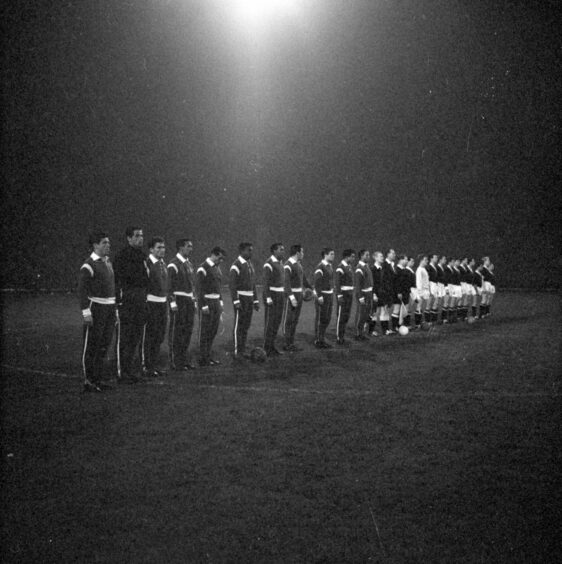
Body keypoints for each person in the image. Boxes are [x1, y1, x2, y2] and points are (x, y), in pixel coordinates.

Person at [78, 230, 117, 392]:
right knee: (92, 346)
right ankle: (89, 381)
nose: (108, 245)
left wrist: (113, 309)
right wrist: (86, 312)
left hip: (109, 308)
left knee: (104, 345)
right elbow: (81, 290)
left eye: (108, 242)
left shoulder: (107, 262)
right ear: (95, 245)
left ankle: (98, 379)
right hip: (96, 308)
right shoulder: (88, 265)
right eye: (104, 243)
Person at [114, 226, 149, 383]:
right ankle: (122, 372)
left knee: (135, 337)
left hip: (140, 299)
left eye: (141, 235)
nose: (140, 238)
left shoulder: (142, 256)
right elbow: (117, 280)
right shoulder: (122, 256)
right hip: (127, 300)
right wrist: (119, 301)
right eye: (136, 236)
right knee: (125, 337)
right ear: (128, 238)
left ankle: (130, 370)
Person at [168, 238, 196, 370]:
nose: (191, 248)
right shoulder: (173, 264)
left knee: (187, 331)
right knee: (177, 332)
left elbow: (192, 284)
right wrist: (172, 302)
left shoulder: (189, 264)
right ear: (180, 248)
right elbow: (170, 286)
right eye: (188, 246)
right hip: (179, 299)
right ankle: (175, 361)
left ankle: (183, 360)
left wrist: (193, 299)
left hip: (188, 300)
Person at [142, 236, 169, 377]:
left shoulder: (162, 264)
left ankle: (153, 365)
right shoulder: (146, 264)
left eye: (163, 247)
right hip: (151, 303)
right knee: (150, 336)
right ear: (151, 249)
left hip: (162, 303)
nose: (162, 250)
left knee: (159, 336)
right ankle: (146, 366)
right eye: (158, 247)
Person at [229, 242, 260, 359]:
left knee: (246, 325)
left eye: (251, 250)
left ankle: (242, 348)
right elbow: (232, 285)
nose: (251, 252)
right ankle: (238, 351)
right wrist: (236, 301)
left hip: (249, 298)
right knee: (239, 325)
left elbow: (253, 284)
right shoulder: (236, 265)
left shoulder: (249, 265)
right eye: (249, 250)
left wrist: (256, 300)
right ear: (242, 251)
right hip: (241, 298)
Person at [196, 247, 226, 366]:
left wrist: (221, 302)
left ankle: (208, 356)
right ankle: (202, 357)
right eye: (220, 258)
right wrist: (203, 305)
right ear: (213, 254)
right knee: (205, 331)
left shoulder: (217, 268)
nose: (221, 261)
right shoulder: (203, 268)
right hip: (207, 302)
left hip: (215, 302)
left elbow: (218, 286)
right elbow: (199, 288)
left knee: (213, 331)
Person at [283, 244, 311, 352]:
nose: (303, 254)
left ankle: (291, 343)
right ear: (297, 253)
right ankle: (286, 344)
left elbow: (304, 280)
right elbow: (286, 283)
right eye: (302, 252)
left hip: (299, 295)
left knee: (295, 320)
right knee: (288, 320)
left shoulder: (299, 265)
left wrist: (311, 290)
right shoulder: (288, 265)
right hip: (292, 296)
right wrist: (291, 297)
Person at [263, 243, 286, 356]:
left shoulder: (280, 263)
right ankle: (266, 347)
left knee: (277, 322)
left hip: (280, 295)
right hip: (272, 295)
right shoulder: (269, 263)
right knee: (270, 323)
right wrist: (267, 297)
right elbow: (266, 282)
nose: (283, 252)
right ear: (274, 251)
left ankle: (272, 346)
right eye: (281, 250)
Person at [313, 248, 335, 348]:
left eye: (333, 254)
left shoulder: (330, 266)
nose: (333, 256)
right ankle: (318, 340)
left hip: (329, 295)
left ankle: (321, 338)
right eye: (331, 254)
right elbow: (317, 282)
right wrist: (320, 296)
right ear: (325, 255)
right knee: (321, 318)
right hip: (323, 295)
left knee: (327, 318)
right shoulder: (320, 267)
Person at [335, 249, 356, 345]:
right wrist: (339, 295)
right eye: (352, 256)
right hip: (343, 294)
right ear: (347, 257)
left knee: (346, 315)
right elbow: (337, 283)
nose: (353, 258)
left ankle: (342, 335)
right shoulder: (340, 267)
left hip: (349, 294)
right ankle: (339, 337)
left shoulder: (349, 267)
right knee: (341, 316)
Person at [354, 249, 373, 340]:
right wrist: (360, 297)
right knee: (361, 314)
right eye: (366, 255)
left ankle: (362, 333)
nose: (368, 257)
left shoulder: (366, 266)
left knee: (366, 314)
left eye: (369, 255)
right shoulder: (359, 268)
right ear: (361, 256)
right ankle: (358, 334)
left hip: (368, 293)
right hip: (363, 294)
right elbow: (358, 284)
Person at [381, 248, 399, 335]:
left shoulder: (392, 265)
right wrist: (386, 292)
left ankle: (388, 329)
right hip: (386, 291)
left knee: (388, 310)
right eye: (393, 253)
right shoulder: (385, 265)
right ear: (388, 254)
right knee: (385, 310)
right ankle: (385, 330)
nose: (394, 255)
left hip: (391, 291)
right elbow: (384, 280)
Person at [369, 251, 385, 336]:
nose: (382, 258)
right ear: (375, 258)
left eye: (382, 256)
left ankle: (383, 329)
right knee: (374, 312)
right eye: (380, 256)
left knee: (380, 311)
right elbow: (371, 283)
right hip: (375, 293)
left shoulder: (382, 269)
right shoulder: (372, 269)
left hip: (381, 293)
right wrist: (374, 294)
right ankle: (370, 331)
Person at [395, 254, 410, 327]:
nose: (407, 261)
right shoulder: (397, 270)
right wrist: (399, 292)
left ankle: (403, 325)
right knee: (397, 310)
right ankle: (396, 326)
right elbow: (397, 282)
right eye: (406, 259)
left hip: (406, 292)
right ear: (401, 260)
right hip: (400, 293)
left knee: (405, 309)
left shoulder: (405, 270)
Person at [415, 254, 430, 327]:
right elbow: (418, 282)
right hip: (422, 291)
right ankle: (418, 324)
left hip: (426, 290)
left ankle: (423, 322)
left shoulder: (424, 269)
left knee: (424, 307)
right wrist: (419, 292)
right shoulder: (419, 270)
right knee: (419, 308)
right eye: (425, 260)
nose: (427, 261)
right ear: (421, 260)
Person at [426, 253, 440, 323]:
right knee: (429, 303)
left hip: (435, 285)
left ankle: (434, 320)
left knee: (436, 302)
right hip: (431, 285)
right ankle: (428, 321)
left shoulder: (435, 267)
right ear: (431, 259)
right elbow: (427, 279)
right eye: (435, 257)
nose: (437, 259)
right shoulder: (428, 267)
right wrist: (429, 289)